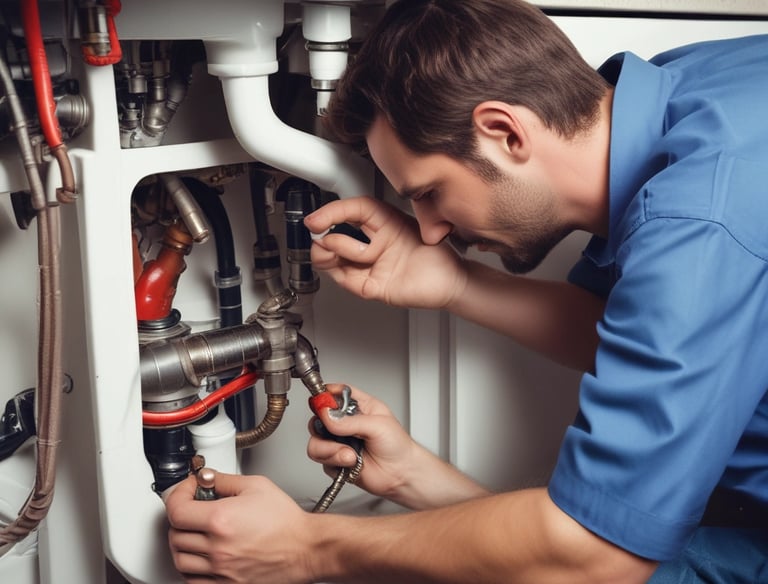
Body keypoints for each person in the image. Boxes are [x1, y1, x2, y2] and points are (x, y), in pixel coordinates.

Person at [163, 0, 768, 582]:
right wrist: (455, 287)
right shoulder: (688, 92)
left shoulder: (698, 222)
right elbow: (668, 342)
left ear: (504, 131)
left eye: (427, 193)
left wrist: (306, 548)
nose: (429, 231)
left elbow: (598, 560)